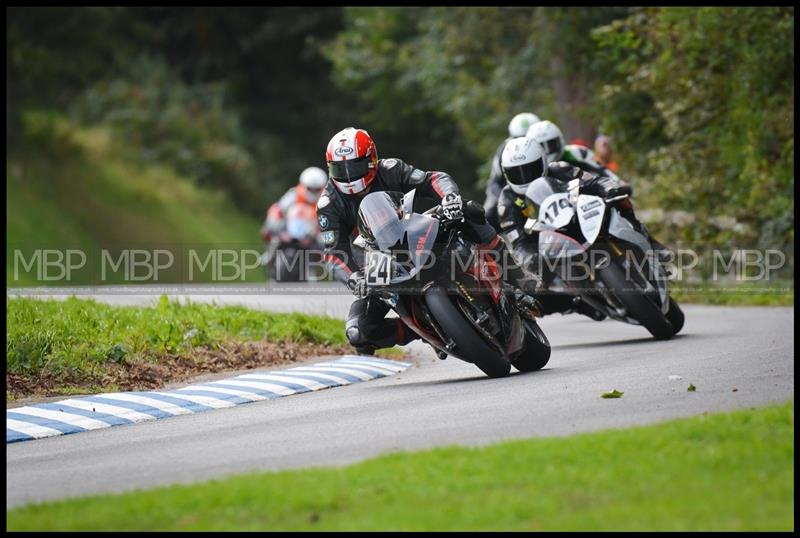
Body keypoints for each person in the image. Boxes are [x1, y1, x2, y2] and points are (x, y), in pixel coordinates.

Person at [318, 126, 539, 356]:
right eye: (339, 168)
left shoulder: (391, 169)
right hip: (377, 264)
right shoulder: (329, 204)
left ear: (372, 159)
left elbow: (433, 179)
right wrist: (354, 278)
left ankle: (516, 275)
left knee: (470, 212)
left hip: (413, 230)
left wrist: (450, 199)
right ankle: (421, 332)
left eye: (354, 166)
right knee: (359, 332)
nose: (348, 175)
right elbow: (333, 253)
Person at [495, 137, 609, 320]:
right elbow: (517, 241)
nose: (524, 177)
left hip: (581, 220)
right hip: (549, 249)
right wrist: (530, 259)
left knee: (616, 203)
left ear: (543, 161)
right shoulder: (507, 199)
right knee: (528, 293)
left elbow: (593, 182)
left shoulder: (559, 169)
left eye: (529, 169)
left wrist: (607, 187)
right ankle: (576, 302)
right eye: (516, 173)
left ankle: (650, 242)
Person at [526, 120, 666, 252]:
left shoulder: (577, 152)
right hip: (561, 211)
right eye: (542, 147)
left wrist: (617, 184)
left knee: (618, 198)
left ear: (560, 140)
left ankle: (650, 242)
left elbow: (603, 170)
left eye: (551, 144)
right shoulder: (534, 170)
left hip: (588, 194)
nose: (548, 151)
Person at [483, 112, 540, 232]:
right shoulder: (505, 150)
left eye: (527, 137)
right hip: (509, 190)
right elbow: (496, 181)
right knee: (488, 214)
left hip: (537, 189)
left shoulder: (541, 146)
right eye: (518, 137)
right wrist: (506, 202)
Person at [260, 166, 328, 244]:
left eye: (316, 189)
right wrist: (274, 225)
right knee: (270, 235)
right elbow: (278, 209)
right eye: (310, 188)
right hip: (287, 232)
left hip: (311, 238)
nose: (313, 191)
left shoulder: (325, 201)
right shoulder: (294, 194)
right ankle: (269, 255)